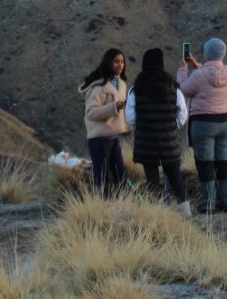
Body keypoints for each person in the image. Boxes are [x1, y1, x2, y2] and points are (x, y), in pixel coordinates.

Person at [126, 47, 191, 216]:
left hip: (146, 143)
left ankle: (156, 215)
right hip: (168, 142)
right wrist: (171, 126)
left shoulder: (136, 90)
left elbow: (130, 118)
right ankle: (186, 214)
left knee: (152, 181)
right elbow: (183, 115)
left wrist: (144, 125)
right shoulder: (173, 88)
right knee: (176, 179)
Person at [178, 37, 227, 214]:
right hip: (225, 121)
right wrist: (196, 64)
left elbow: (183, 89)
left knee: (205, 163)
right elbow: (211, 74)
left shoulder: (199, 75)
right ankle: (226, 201)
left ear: (206, 53)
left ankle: (207, 204)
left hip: (203, 123)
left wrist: (183, 68)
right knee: (223, 161)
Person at [79, 47, 130, 196]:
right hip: (99, 137)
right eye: (116, 61)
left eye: (122, 62)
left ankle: (123, 205)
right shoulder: (98, 86)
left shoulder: (122, 84)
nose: (120, 65)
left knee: (120, 173)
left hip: (114, 136)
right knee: (102, 177)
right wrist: (115, 106)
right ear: (108, 63)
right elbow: (91, 113)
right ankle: (102, 208)